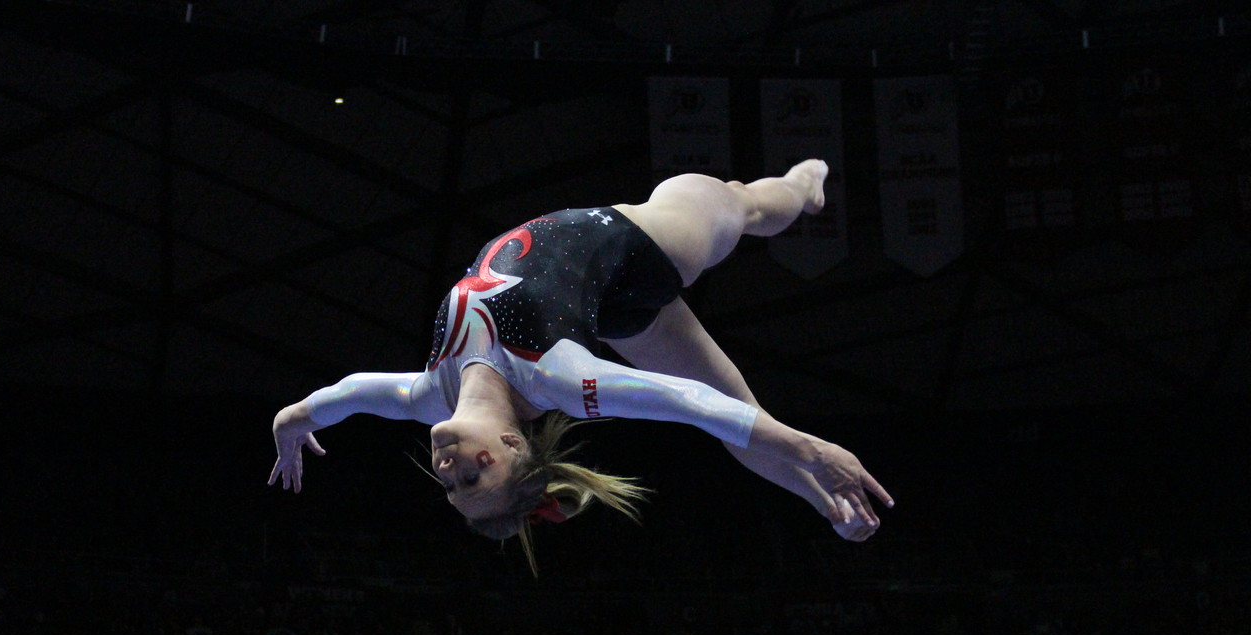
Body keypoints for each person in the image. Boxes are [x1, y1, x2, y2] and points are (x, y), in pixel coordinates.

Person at [270, 160, 892, 562]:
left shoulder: (429, 395)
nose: (449, 470)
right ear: (513, 448)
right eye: (472, 481)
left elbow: (347, 393)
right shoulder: (559, 379)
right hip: (645, 251)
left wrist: (293, 422)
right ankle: (803, 189)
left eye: (447, 484)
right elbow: (697, 406)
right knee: (740, 203)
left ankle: (826, 504)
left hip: (609, 302)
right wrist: (815, 452)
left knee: (741, 404)